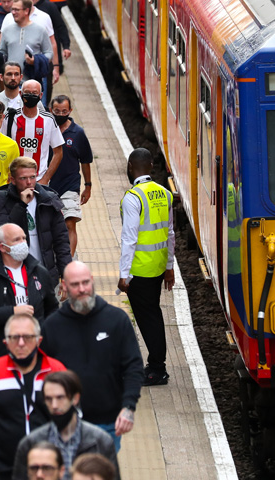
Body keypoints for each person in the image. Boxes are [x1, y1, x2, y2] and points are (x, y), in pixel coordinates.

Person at [41, 262, 143, 453]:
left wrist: (128, 407)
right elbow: (41, 374)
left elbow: (133, 367)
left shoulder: (117, 320)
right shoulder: (52, 326)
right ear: (64, 287)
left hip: (107, 424)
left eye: (85, 283)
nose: (82, 289)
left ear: (93, 281)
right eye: (75, 284)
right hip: (64, 425)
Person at [0, 313, 66, 480]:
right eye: (15, 337)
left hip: (47, 471)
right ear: (6, 342)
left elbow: (69, 422)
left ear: (39, 340)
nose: (21, 343)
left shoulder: (56, 370)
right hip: (2, 470)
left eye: (28, 337)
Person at [118, 147, 175, 387]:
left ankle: (156, 369)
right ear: (151, 166)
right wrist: (170, 266)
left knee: (148, 318)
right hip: (159, 266)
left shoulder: (133, 197)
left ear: (130, 167)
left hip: (140, 271)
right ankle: (156, 365)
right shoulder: (164, 193)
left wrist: (124, 276)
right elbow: (170, 233)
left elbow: (129, 238)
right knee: (153, 314)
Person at [0, 225, 59, 360]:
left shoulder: (40, 272)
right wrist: (12, 312)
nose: (23, 243)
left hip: (37, 352)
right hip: (1, 354)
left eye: (24, 238)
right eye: (16, 240)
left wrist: (46, 337)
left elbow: (52, 309)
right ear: (2, 247)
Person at [13, 372, 119, 480]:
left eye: (60, 398)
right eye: (49, 399)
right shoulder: (30, 443)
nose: (54, 405)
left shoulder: (101, 441)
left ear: (75, 398)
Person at [0, 158, 71, 282]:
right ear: (12, 180)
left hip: (45, 273)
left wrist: (65, 275)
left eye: (32, 177)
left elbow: (62, 241)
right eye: (23, 178)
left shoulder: (49, 200)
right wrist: (21, 205)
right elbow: (2, 232)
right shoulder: (2, 199)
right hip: (14, 275)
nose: (29, 182)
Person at [47, 97, 93, 256]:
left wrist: (88, 186)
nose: (60, 114)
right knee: (50, 226)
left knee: (69, 224)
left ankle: (68, 262)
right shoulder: (45, 129)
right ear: (50, 110)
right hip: (47, 186)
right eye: (57, 111)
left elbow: (85, 161)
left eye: (64, 112)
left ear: (70, 111)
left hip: (70, 186)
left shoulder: (78, 133)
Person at [3, 80, 63, 184]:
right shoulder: (10, 118)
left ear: (41, 96)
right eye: (27, 93)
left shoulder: (48, 119)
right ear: (21, 94)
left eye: (34, 93)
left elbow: (58, 152)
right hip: (14, 181)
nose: (31, 96)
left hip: (39, 180)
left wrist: (45, 179)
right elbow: (0, 145)